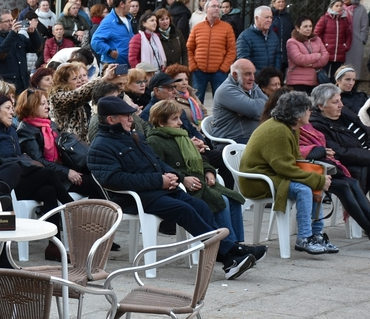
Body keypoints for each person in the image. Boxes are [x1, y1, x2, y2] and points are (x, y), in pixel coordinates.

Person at [88, 96, 256, 276]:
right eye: (126, 116)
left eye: (131, 115)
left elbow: (157, 161)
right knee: (184, 210)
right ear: (111, 119)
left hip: (158, 191)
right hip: (134, 198)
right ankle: (231, 252)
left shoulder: (134, 137)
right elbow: (115, 180)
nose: (131, 119)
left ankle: (228, 256)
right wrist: (160, 181)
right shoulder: (100, 146)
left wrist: (173, 175)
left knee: (201, 206)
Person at [146, 100, 261, 257]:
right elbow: (161, 168)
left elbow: (200, 159)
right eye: (174, 119)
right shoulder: (154, 141)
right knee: (220, 200)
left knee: (233, 198)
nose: (180, 122)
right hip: (186, 187)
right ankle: (228, 246)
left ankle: (236, 243)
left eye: (179, 118)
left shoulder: (182, 136)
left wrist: (209, 171)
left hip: (200, 181)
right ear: (161, 122)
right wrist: (183, 178)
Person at [0, 94, 75, 258]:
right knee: (48, 173)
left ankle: (54, 247)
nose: (12, 112)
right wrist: (4, 166)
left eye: (12, 108)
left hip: (20, 180)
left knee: (49, 190)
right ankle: (74, 210)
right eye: (7, 108)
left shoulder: (11, 131)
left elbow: (17, 156)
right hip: (2, 185)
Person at [240, 91, 335, 254]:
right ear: (298, 114)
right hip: (258, 181)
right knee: (304, 188)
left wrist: (317, 178)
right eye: (308, 109)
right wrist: (317, 179)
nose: (311, 112)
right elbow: (284, 167)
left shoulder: (291, 128)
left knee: (313, 184)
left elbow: (296, 161)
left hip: (274, 175)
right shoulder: (278, 130)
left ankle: (316, 234)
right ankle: (304, 238)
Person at [16, 88, 102, 197]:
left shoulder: (49, 124)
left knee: (98, 174)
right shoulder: (25, 130)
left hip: (65, 168)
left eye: (47, 103)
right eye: (42, 104)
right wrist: (67, 172)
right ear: (31, 106)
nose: (47, 107)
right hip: (54, 177)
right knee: (93, 184)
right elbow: (38, 161)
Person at [308, 83, 370, 194]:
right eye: (335, 102)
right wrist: (369, 154)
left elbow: (366, 130)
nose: (341, 105)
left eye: (340, 100)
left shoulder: (344, 113)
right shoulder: (317, 125)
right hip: (354, 164)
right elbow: (339, 152)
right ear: (321, 106)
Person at [187, 0, 237, 101]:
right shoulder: (197, 28)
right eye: (213, 6)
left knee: (221, 100)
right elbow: (189, 48)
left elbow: (231, 50)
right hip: (199, 71)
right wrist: (193, 66)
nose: (217, 9)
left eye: (218, 6)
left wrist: (224, 67)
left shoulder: (227, 28)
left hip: (219, 72)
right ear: (206, 9)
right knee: (197, 100)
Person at [211, 59, 268, 143]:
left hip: (250, 137)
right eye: (248, 74)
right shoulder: (226, 90)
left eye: (253, 73)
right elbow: (253, 110)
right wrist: (254, 110)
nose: (252, 78)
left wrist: (251, 110)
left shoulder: (251, 85)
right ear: (235, 75)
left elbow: (270, 105)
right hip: (232, 139)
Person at [0, 10, 42, 93]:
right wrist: (12, 34)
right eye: (7, 21)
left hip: (23, 84)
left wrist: (33, 33)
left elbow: (36, 48)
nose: (11, 23)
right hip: (7, 86)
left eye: (12, 20)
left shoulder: (19, 37)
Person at [48, 61, 103, 142]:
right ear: (63, 82)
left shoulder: (83, 96)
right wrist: (103, 79)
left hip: (83, 143)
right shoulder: (57, 97)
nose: (79, 80)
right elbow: (77, 95)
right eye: (74, 79)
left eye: (80, 77)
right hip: (70, 145)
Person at [90, 0, 134, 73]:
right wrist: (111, 52)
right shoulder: (109, 21)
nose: (131, 4)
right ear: (122, 4)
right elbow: (95, 41)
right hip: (112, 66)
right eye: (129, 2)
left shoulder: (128, 18)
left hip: (126, 64)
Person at [286, 14, 330, 93]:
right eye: (305, 26)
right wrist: (317, 55)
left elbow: (325, 57)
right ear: (297, 28)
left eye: (310, 26)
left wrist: (312, 64)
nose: (308, 29)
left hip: (315, 81)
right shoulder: (292, 42)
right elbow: (299, 59)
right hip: (298, 82)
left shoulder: (317, 40)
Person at [314, 0, 352, 79]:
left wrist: (346, 46)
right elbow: (316, 34)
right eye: (336, 6)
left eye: (341, 6)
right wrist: (323, 47)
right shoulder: (324, 19)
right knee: (324, 76)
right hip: (326, 53)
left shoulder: (344, 20)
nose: (339, 8)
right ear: (331, 7)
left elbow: (349, 35)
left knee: (336, 77)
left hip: (339, 54)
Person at [236, 5, 281, 72]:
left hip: (271, 76)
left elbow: (277, 57)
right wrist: (260, 76)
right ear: (257, 18)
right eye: (266, 17)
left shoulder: (273, 36)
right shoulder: (245, 37)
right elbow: (244, 61)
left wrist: (275, 74)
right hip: (253, 77)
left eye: (271, 17)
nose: (269, 20)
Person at [342, 0, 369, 71]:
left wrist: (361, 39)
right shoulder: (340, 8)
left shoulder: (361, 9)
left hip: (356, 43)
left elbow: (365, 26)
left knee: (355, 67)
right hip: (342, 42)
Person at [270, 0, 294, 72]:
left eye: (283, 2)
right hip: (272, 48)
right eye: (279, 2)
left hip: (285, 49)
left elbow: (292, 30)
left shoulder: (287, 16)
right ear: (273, 3)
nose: (281, 3)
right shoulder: (270, 16)